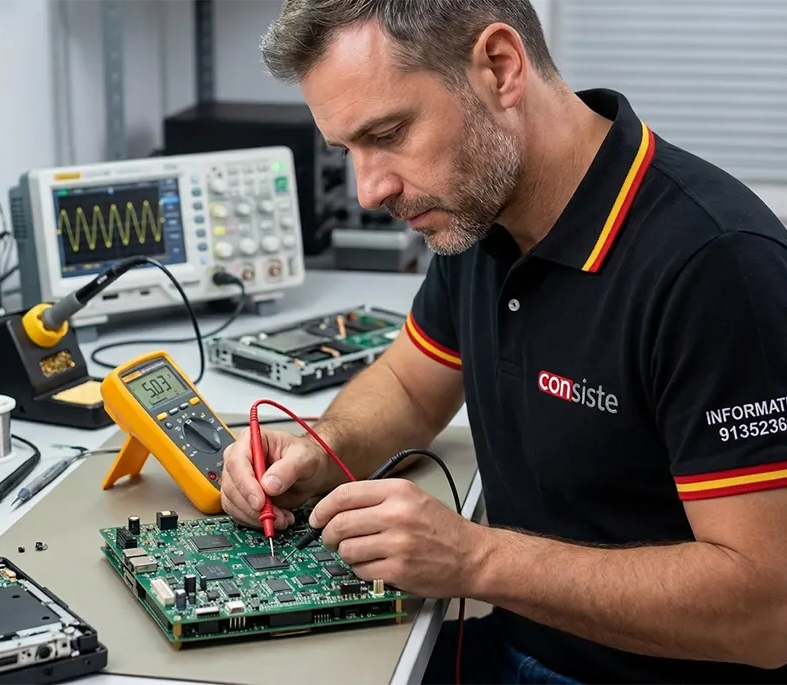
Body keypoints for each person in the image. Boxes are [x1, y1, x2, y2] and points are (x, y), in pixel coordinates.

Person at [219, 1, 787, 683]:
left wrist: (475, 560)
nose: (370, 190)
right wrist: (318, 451)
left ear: (499, 67)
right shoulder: (474, 211)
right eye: (349, 151)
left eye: (390, 133)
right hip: (522, 646)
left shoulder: (717, 267)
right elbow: (406, 385)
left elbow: (769, 613)